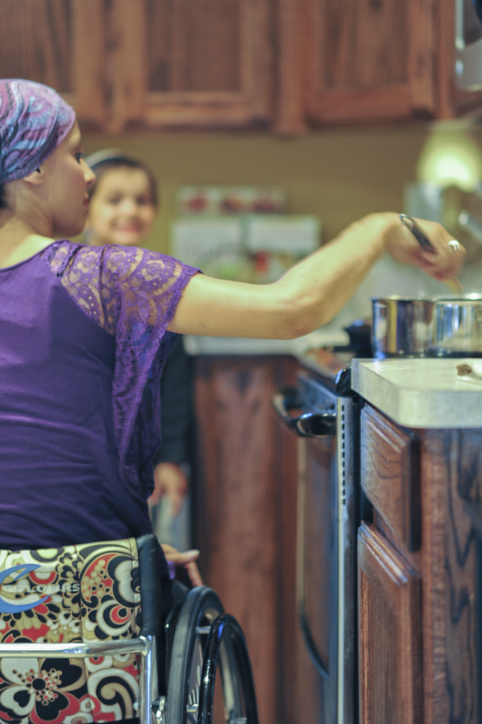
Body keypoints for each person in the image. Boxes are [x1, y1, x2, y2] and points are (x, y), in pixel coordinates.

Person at [0, 79, 465, 589]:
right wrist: (377, 228)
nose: (88, 173)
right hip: (82, 610)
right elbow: (291, 310)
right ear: (36, 166)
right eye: (76, 154)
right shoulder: (99, 276)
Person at [83, 149, 194, 552]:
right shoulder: (65, 278)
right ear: (86, 208)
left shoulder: (160, 286)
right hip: (85, 457)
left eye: (142, 200)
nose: (130, 209)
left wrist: (170, 458)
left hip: (142, 458)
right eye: (114, 200)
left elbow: (174, 382)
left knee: (145, 556)